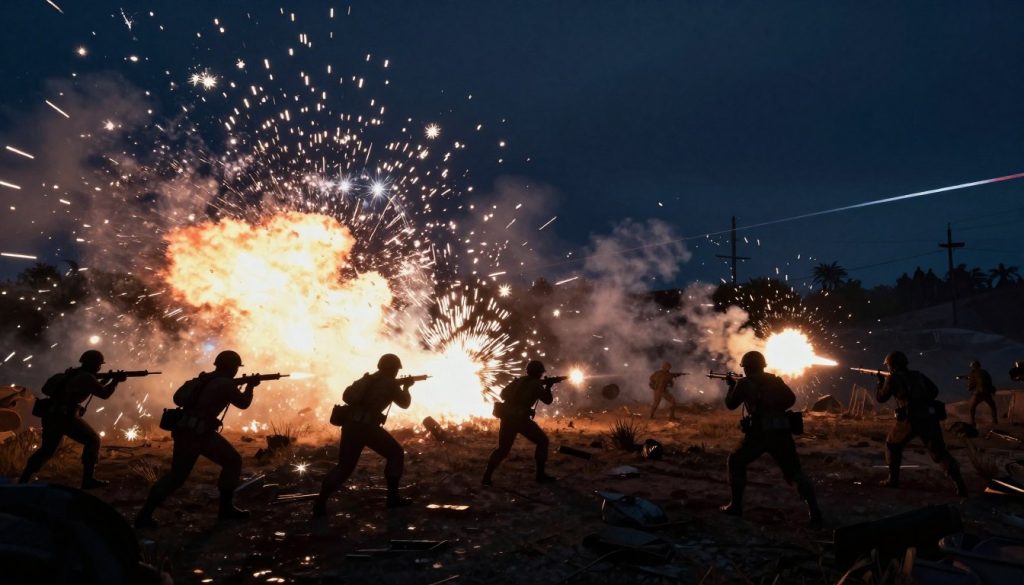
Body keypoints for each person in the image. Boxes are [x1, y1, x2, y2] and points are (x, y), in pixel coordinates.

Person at [135, 350, 258, 528]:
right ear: (232, 367)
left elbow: (178, 398)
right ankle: (225, 510)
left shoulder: (202, 379)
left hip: (185, 430)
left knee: (176, 476)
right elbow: (243, 403)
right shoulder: (225, 384)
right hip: (200, 434)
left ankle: (144, 515)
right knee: (233, 461)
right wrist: (251, 387)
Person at [719, 351, 823, 529]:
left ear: (747, 367)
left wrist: (731, 386)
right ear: (763, 365)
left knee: (736, 461)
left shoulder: (744, 383)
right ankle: (815, 513)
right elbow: (791, 399)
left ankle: (736, 506)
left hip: (758, 433)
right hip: (781, 431)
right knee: (795, 472)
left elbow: (730, 404)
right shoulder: (775, 380)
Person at [313, 353, 417, 517]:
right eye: (396, 369)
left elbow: (348, 396)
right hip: (367, 428)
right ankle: (393, 498)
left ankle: (321, 501)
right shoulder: (390, 383)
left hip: (350, 426)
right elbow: (404, 403)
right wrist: (406, 388)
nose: (397, 372)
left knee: (344, 466)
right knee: (396, 454)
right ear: (392, 369)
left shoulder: (368, 379)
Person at [20, 350, 126, 489]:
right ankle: (88, 480)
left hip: (51, 414)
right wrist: (115, 381)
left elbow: (49, 389)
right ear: (95, 365)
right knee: (93, 440)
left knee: (47, 450)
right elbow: (104, 394)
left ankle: (24, 479)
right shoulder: (87, 378)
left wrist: (104, 381)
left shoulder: (71, 373)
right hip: (65, 416)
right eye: (99, 364)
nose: (100, 367)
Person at [876, 351, 967, 496]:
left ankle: (893, 480)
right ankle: (960, 485)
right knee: (939, 452)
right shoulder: (918, 375)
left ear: (892, 365)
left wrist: (880, 382)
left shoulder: (892, 378)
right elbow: (934, 391)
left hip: (910, 419)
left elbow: (881, 398)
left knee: (892, 445)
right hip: (929, 417)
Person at [482, 360, 561, 486]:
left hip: (507, 417)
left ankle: (486, 477)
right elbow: (548, 400)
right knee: (543, 441)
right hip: (520, 419)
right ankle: (540, 476)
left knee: (502, 449)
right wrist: (548, 387)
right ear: (538, 372)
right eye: (540, 372)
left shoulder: (518, 381)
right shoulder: (536, 384)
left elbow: (503, 394)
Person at [965, 360, 997, 426]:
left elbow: (972, 384)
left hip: (978, 393)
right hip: (987, 392)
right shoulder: (985, 372)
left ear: (974, 366)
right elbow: (989, 381)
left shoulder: (973, 372)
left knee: (972, 407)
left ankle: (972, 422)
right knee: (993, 406)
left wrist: (969, 387)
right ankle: (995, 420)